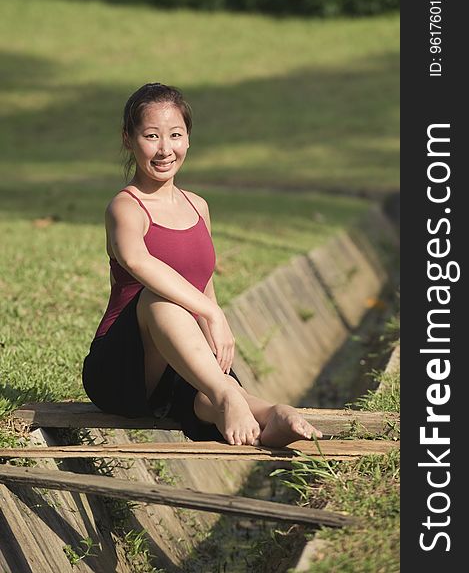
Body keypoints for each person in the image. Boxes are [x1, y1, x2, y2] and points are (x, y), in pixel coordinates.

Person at [82, 82, 323, 447]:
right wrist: (212, 314)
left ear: (188, 139)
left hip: (179, 360)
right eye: (151, 136)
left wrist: (212, 329)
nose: (165, 149)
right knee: (158, 299)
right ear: (128, 140)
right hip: (123, 369)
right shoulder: (126, 206)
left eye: (175, 135)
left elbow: (204, 281)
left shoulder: (198, 206)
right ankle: (226, 396)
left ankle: (272, 413)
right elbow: (136, 260)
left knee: (204, 400)